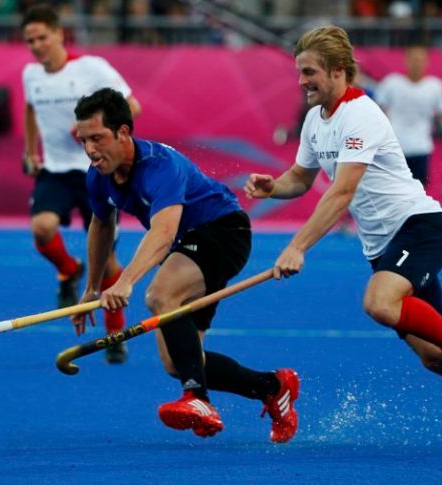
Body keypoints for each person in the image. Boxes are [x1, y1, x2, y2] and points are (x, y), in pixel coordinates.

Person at [244, 26, 442, 405]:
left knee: (380, 303)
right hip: (383, 247)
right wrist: (274, 187)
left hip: (419, 228)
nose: (301, 81)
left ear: (337, 70)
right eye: (299, 72)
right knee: (435, 358)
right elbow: (300, 178)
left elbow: (343, 191)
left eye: (309, 72)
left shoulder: (361, 113)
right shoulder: (315, 120)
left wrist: (297, 246)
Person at [70, 88, 300, 442]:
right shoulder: (97, 175)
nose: (90, 150)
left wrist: (126, 281)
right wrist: (92, 286)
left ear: (123, 133)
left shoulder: (161, 166)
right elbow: (102, 224)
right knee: (179, 362)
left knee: (161, 295)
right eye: (83, 140)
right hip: (188, 246)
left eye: (97, 138)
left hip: (223, 232)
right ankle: (273, 387)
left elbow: (163, 234)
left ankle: (199, 400)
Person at [20, 4, 141, 363]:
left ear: (59, 34)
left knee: (107, 262)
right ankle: (69, 269)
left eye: (43, 37)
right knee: (42, 229)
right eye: (30, 40)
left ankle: (114, 333)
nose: (37, 45)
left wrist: (92, 129)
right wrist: (30, 151)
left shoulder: (91, 68)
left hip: (96, 170)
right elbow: (29, 109)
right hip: (55, 170)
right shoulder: (31, 74)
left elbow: (132, 105)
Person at [374, 45, 442, 187]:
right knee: (393, 194)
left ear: (427, 62)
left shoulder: (435, 86)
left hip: (421, 149)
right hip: (395, 150)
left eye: (421, 59)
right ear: (406, 61)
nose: (417, 63)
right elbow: (377, 110)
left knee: (418, 195)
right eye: (413, 59)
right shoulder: (392, 83)